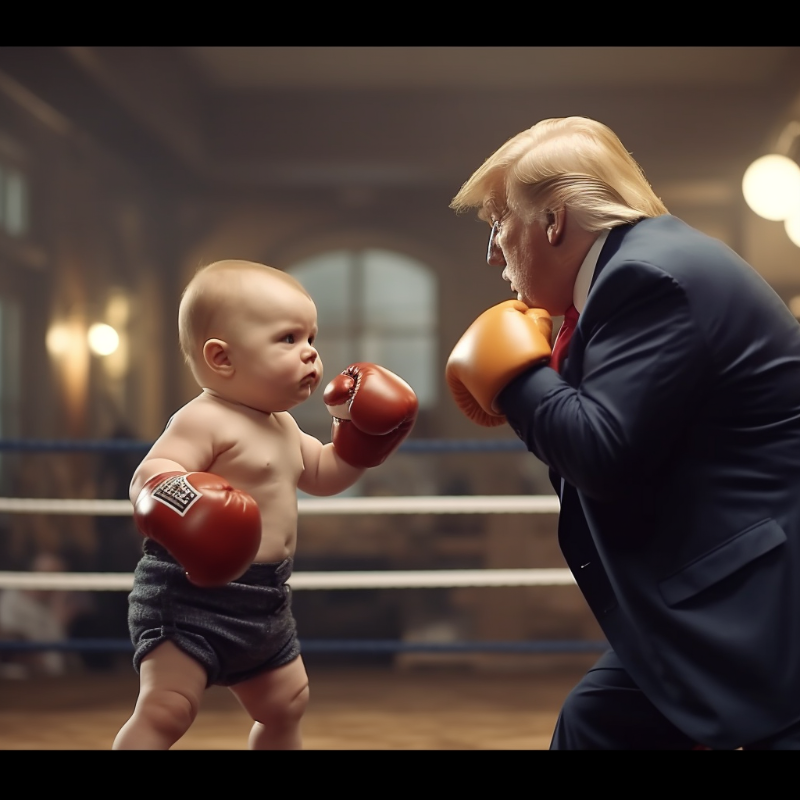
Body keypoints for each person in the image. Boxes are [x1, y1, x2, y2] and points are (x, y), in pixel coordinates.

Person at [444, 116, 800, 750]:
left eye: (498, 222)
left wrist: (514, 376)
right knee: (596, 722)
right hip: (726, 584)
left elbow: (602, 453)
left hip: (756, 605)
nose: (493, 251)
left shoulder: (649, 279)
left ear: (553, 220)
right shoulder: (632, 275)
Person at [112, 259, 418, 750]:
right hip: (188, 595)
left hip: (264, 598)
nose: (310, 355)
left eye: (312, 339)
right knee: (169, 707)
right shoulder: (204, 419)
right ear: (222, 358)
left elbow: (321, 474)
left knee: (286, 701)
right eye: (288, 339)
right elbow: (150, 474)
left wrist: (360, 444)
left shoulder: (283, 426)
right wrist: (188, 502)